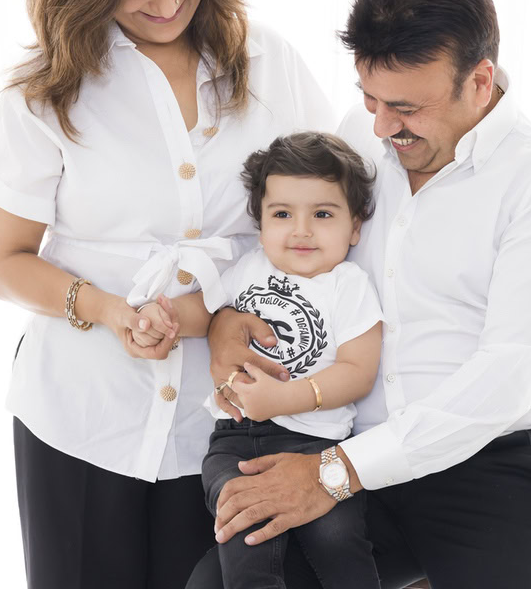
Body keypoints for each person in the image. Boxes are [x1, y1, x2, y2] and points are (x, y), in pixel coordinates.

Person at [0, 0, 334, 589]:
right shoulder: (46, 95)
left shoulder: (270, 66)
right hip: (80, 419)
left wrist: (220, 313)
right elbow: (2, 262)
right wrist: (108, 310)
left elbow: (331, 219)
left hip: (225, 427)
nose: (164, 1)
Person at [191, 0, 531, 589]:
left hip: (508, 467)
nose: (383, 127)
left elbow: (505, 379)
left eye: (406, 107)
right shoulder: (362, 140)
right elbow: (290, 254)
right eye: (370, 99)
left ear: (480, 81)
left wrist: (339, 471)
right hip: (359, 457)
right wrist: (224, 320)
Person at [148, 132, 384, 588]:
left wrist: (283, 398)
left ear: (355, 226)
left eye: (322, 214)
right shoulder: (250, 268)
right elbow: (208, 310)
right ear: (260, 224)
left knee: (338, 537)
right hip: (236, 441)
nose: (300, 229)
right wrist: (164, 316)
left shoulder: (348, 285)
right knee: (242, 533)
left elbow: (358, 372)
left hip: (317, 447)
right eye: (282, 214)